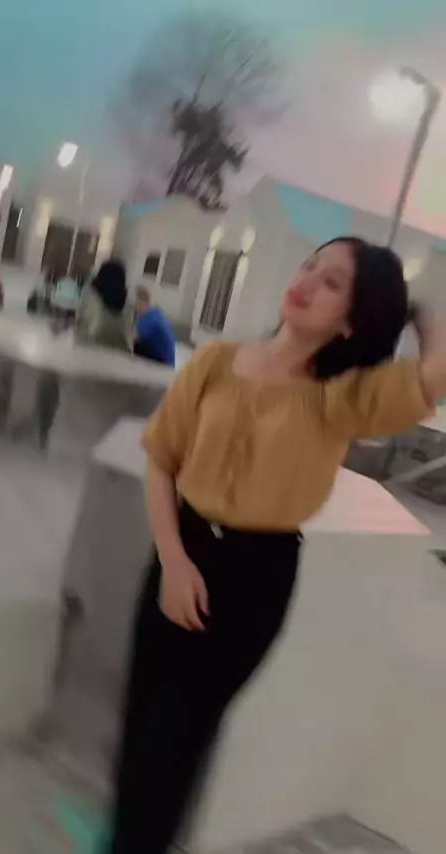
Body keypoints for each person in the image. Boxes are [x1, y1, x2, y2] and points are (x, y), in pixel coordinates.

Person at [108, 236, 446, 854]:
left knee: (175, 743)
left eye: (333, 283)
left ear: (351, 320)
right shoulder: (215, 362)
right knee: (139, 723)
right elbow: (161, 461)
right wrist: (175, 561)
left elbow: (435, 373)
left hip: (254, 577)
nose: (308, 281)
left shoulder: (343, 397)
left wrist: (418, 309)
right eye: (310, 265)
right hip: (179, 550)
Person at [75, 259, 134, 352]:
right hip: (121, 354)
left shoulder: (91, 296)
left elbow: (81, 324)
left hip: (90, 349)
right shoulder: (129, 306)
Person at [134, 286, 176, 366]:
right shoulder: (156, 313)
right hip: (167, 366)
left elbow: (129, 340)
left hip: (162, 367)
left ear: (141, 302)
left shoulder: (148, 319)